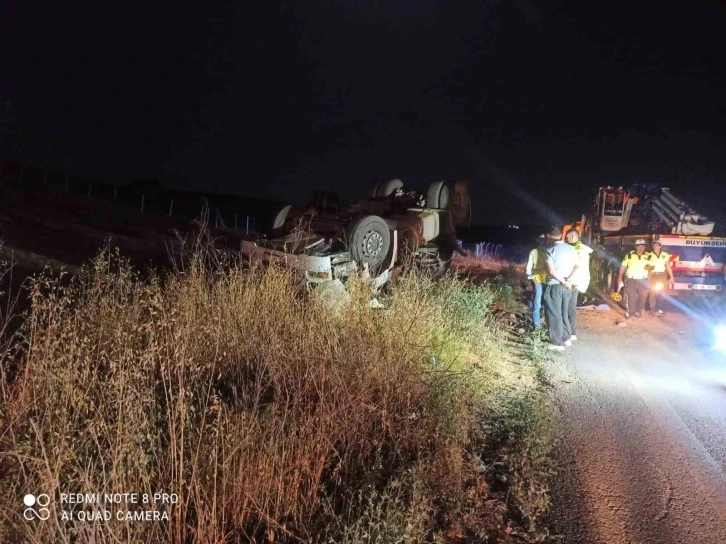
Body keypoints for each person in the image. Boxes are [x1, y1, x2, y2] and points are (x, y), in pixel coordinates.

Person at [543, 226, 578, 351]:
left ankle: (557, 343)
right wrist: (568, 280)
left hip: (555, 285)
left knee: (554, 314)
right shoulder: (572, 249)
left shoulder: (550, 250)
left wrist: (562, 281)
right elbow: (577, 266)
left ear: (550, 237)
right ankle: (566, 338)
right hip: (568, 286)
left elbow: (551, 271)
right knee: (564, 313)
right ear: (561, 236)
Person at [565, 229, 594, 341]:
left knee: (569, 306)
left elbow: (577, 266)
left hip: (573, 281)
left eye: (568, 237)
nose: (567, 239)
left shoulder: (579, 249)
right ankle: (571, 332)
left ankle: (570, 332)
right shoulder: (579, 248)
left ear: (573, 236)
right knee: (570, 306)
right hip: (574, 281)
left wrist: (568, 279)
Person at [617, 239, 652, 319]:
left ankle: (638, 311)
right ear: (636, 247)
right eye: (638, 246)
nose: (640, 248)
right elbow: (623, 266)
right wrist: (620, 277)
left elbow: (651, 266)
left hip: (643, 280)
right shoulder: (629, 255)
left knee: (642, 297)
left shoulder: (648, 256)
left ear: (644, 247)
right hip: (631, 280)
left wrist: (649, 269)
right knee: (631, 297)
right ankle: (631, 313)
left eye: (642, 246)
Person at [647, 238, 675, 316]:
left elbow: (668, 266)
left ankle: (659, 310)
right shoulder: (649, 255)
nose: (655, 247)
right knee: (653, 293)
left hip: (662, 276)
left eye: (657, 245)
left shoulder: (665, 255)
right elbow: (647, 266)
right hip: (653, 276)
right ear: (652, 246)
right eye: (654, 245)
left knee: (662, 293)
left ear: (660, 246)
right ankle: (653, 310)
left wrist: (671, 277)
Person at [525, 234, 548, 328]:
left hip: (547, 281)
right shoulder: (534, 252)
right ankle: (537, 326)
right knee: (537, 303)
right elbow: (528, 267)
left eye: (544, 240)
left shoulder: (549, 251)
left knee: (544, 303)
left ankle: (543, 322)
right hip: (538, 280)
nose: (542, 242)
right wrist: (532, 277)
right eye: (541, 240)